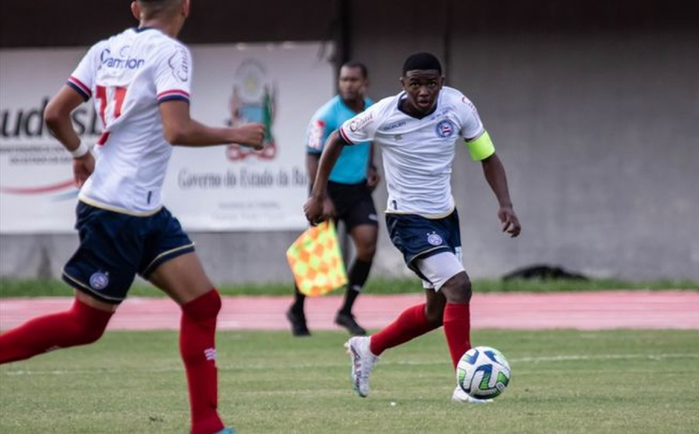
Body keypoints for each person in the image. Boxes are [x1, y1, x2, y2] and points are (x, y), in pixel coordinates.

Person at [0, 1, 263, 433]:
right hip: (116, 211)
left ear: (136, 6)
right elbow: (176, 130)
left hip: (140, 209)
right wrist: (235, 133)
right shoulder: (171, 52)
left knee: (202, 305)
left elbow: (54, 114)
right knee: (85, 326)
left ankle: (208, 426)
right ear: (186, 7)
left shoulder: (105, 48)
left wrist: (81, 153)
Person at [304, 52, 522, 403]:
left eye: (431, 83)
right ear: (402, 84)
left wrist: (506, 204)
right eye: (416, 83)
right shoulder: (382, 114)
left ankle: (368, 347)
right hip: (407, 219)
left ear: (442, 82)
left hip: (445, 218)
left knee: (436, 313)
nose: (424, 91)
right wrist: (317, 195)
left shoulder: (459, 107)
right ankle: (466, 386)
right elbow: (334, 141)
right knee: (459, 286)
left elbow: (486, 155)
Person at [286, 61, 380, 337]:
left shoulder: (372, 110)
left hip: (357, 189)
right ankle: (297, 309)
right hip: (327, 189)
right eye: (344, 79)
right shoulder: (326, 115)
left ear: (365, 82)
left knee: (368, 244)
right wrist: (321, 196)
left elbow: (369, 142)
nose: (348, 84)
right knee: (318, 252)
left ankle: (346, 310)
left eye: (353, 80)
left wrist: (371, 169)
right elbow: (311, 155)